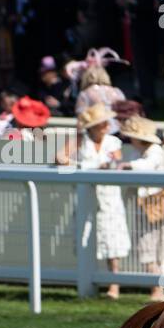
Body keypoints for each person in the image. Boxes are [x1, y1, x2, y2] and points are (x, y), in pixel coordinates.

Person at [59, 104, 128, 299]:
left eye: (106, 121)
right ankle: (88, 283)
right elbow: (59, 158)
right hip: (86, 195)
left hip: (108, 195)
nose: (106, 125)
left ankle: (114, 285)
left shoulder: (113, 142)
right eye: (101, 122)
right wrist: (82, 166)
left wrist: (106, 164)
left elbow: (117, 162)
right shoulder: (80, 140)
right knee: (86, 236)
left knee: (112, 238)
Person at [120, 116, 164, 303]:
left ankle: (160, 289)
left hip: (157, 208)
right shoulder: (135, 152)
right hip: (143, 209)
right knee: (147, 248)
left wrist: (128, 166)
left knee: (160, 251)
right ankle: (157, 288)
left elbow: (146, 167)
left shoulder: (154, 151)